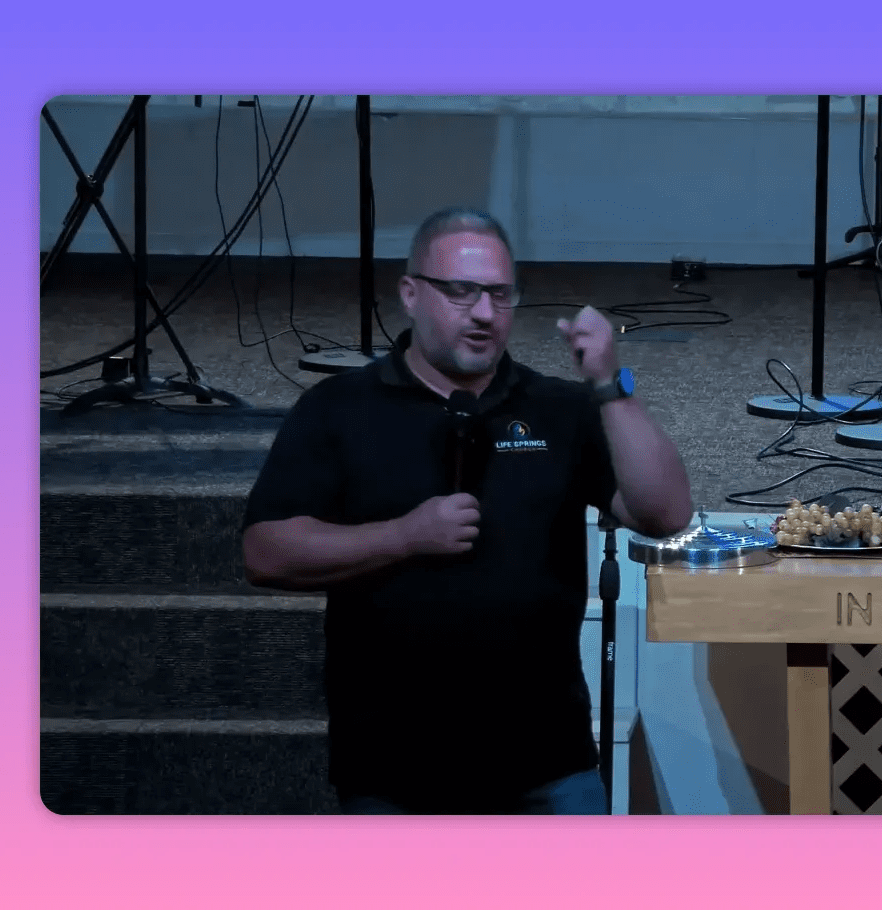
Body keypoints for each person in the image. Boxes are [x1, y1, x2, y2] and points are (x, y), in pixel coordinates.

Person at [241, 207, 693, 814]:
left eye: (500, 296)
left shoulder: (557, 408)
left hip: (547, 765)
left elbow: (665, 514)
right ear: (410, 293)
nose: (483, 314)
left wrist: (609, 385)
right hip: (391, 772)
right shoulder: (341, 409)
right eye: (461, 292)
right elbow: (265, 552)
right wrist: (404, 536)